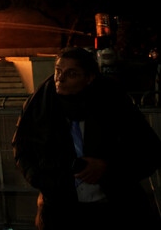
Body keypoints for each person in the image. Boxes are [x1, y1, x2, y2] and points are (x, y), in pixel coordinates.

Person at [13, 47, 161, 229]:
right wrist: (44, 182)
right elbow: (22, 148)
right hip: (59, 211)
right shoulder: (39, 105)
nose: (60, 78)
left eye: (71, 73)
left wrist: (107, 168)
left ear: (89, 78)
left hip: (114, 209)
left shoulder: (114, 104)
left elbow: (149, 151)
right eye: (58, 71)